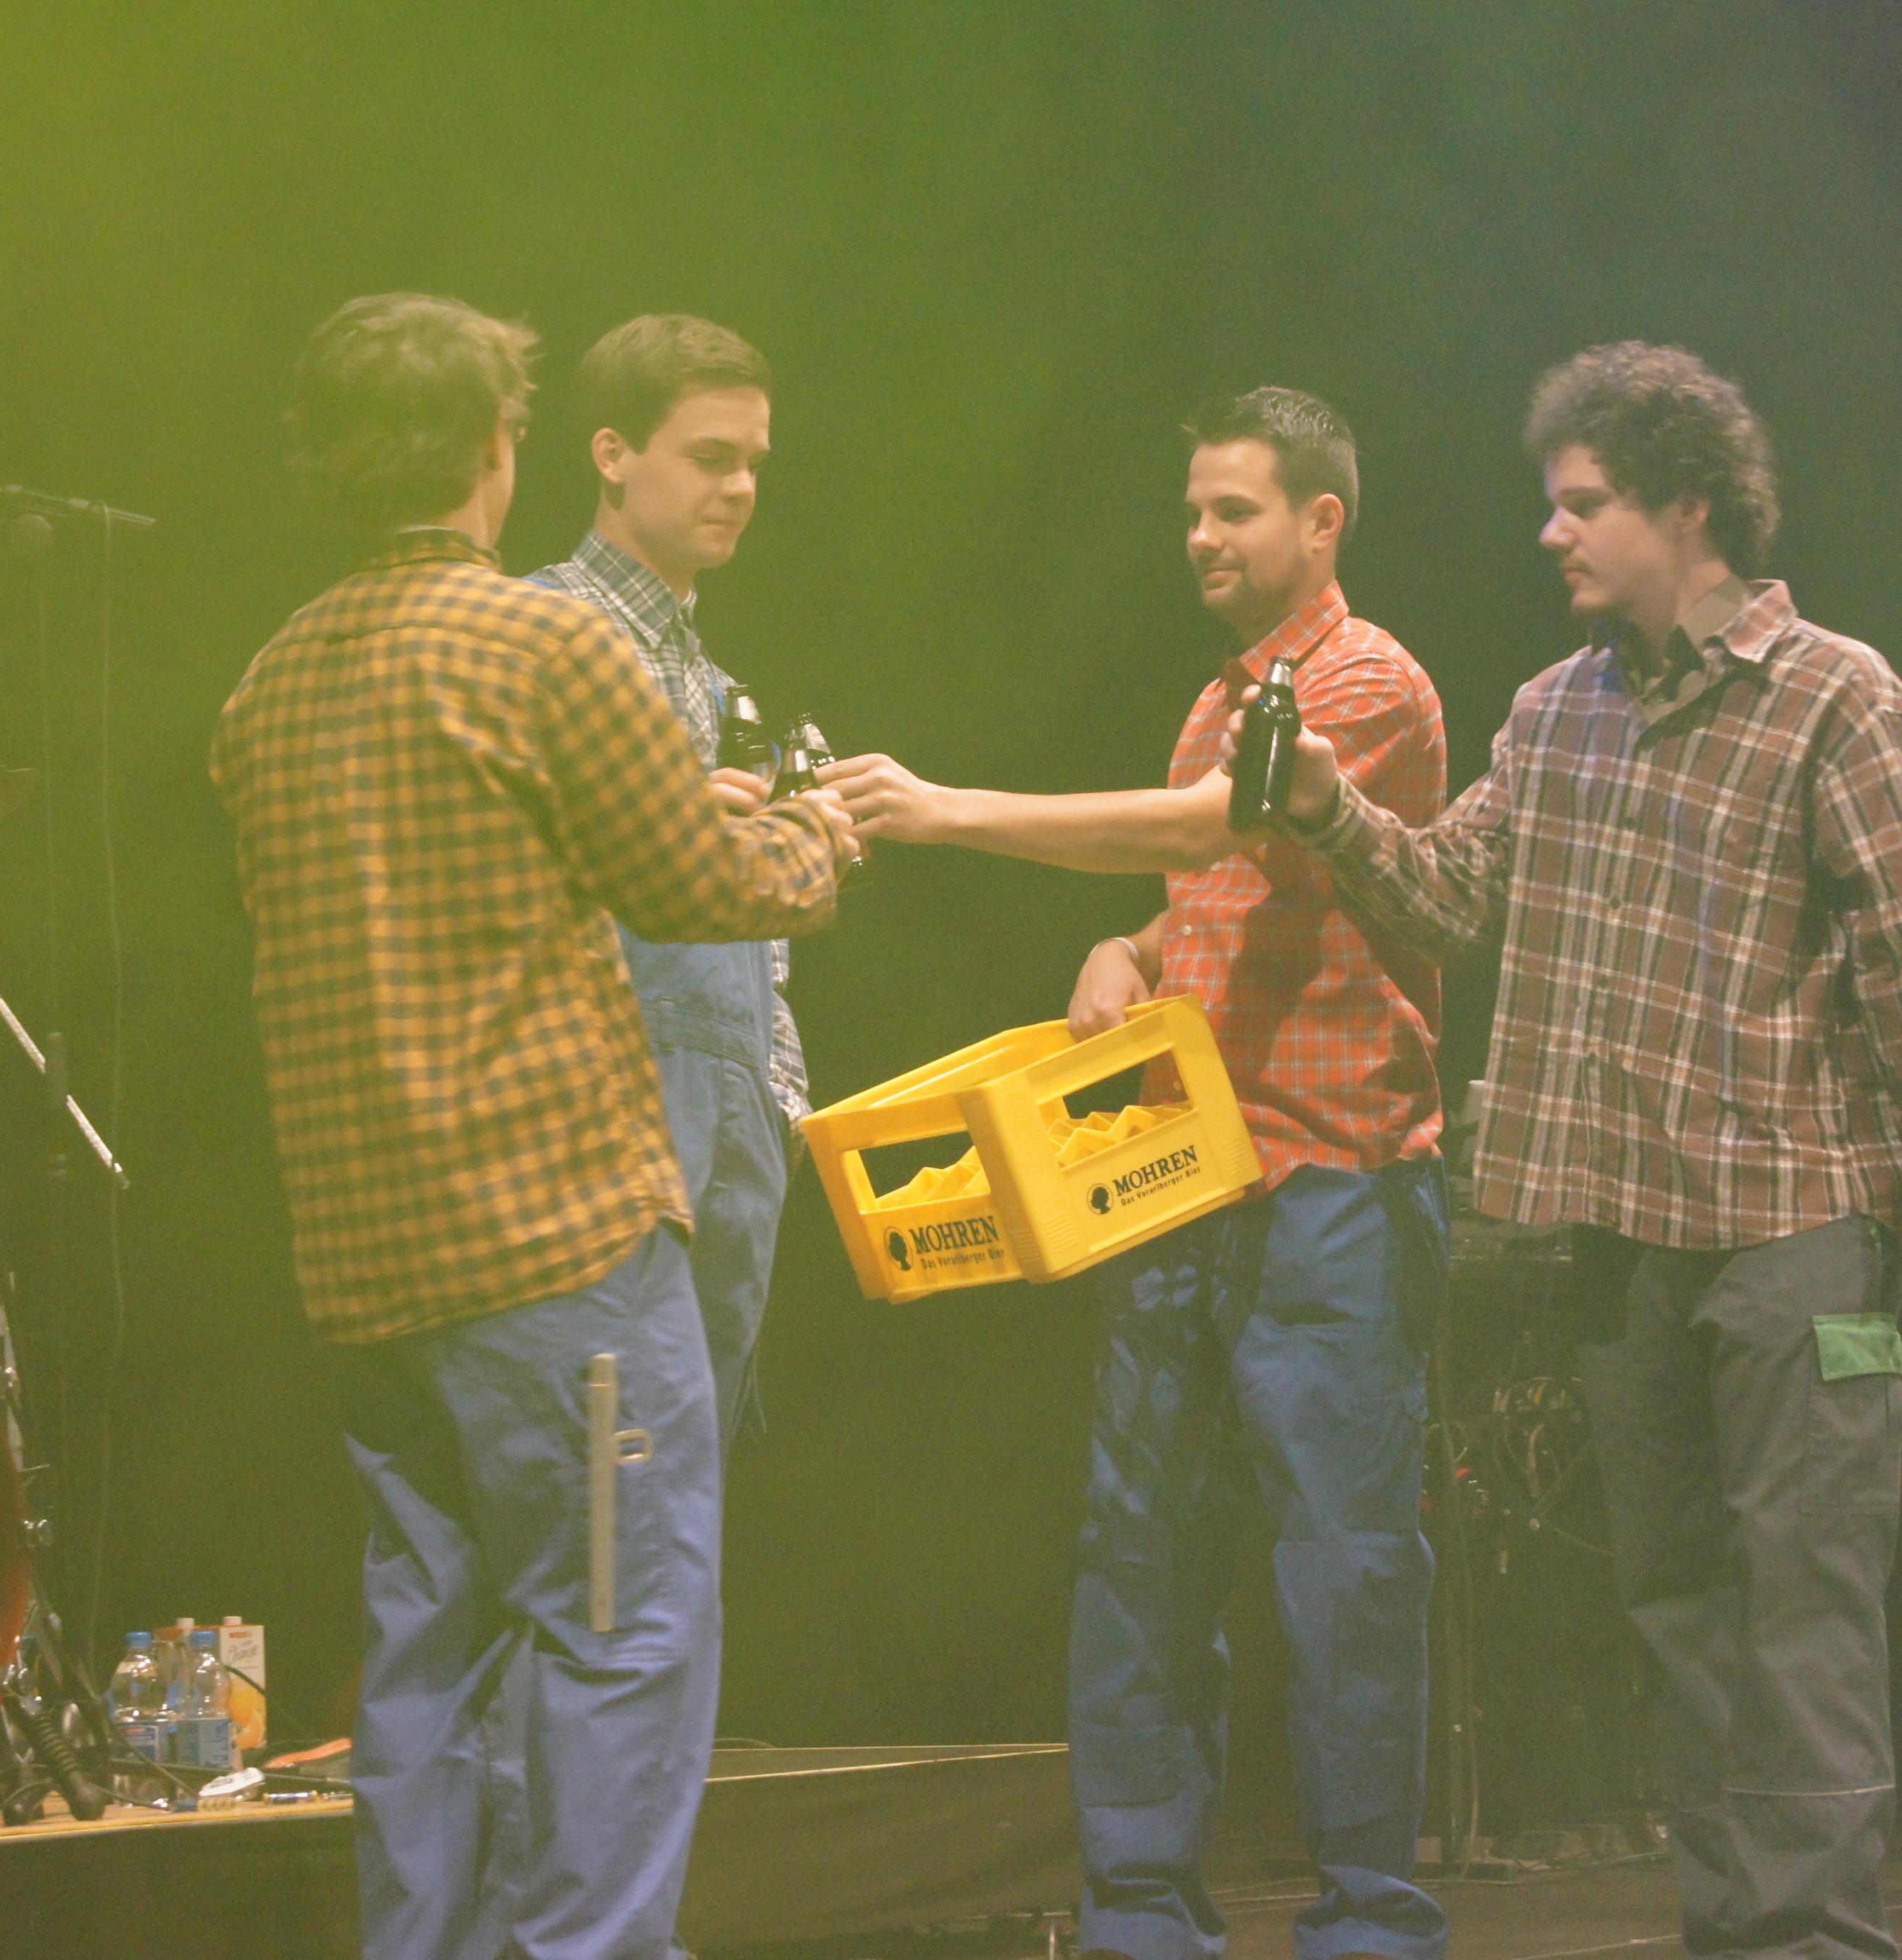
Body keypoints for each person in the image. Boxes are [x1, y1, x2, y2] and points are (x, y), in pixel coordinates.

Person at [1263, 342, 1902, 1960]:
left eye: (1584, 503)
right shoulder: (1556, 715)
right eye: (1553, 503)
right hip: (1618, 1237)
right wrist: (1327, 805)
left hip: (1799, 1233)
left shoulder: (1835, 697)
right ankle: (1732, 1928)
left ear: (1689, 506)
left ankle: (1816, 1937)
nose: (1552, 532)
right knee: (1676, 1601)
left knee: (1804, 1598)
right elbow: (1451, 899)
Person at [209, 292, 848, 1960]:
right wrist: (812, 837)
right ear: (497, 452)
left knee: (428, 1646)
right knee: (624, 1630)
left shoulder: (264, 687)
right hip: (554, 1241)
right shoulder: (544, 647)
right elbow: (698, 882)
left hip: (371, 1266)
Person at [822, 387, 1454, 1960]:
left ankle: (1369, 1919)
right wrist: (1125, 944)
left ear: (1321, 521)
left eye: (1233, 510)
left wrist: (947, 808)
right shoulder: (1216, 694)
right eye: (1189, 511)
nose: (1199, 537)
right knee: (1138, 1553)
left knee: (1346, 1569)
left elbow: (1218, 821)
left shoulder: (1363, 681)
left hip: (1330, 1186)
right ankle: (1140, 1913)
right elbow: (1211, 892)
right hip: (1183, 1180)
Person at [528, 313, 805, 1444]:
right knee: (593, 1479)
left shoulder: (725, 690)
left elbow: (755, 950)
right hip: (600, 1106)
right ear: (612, 453)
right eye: (709, 457)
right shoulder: (538, 634)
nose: (740, 488)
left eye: (753, 463)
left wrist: (779, 1100)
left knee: (685, 1477)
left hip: (730, 1119)